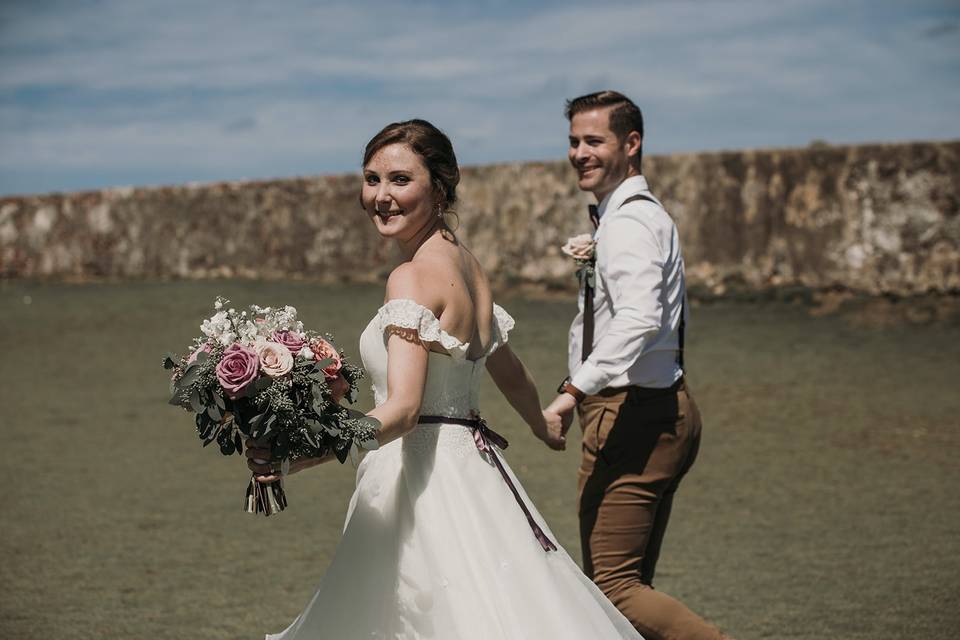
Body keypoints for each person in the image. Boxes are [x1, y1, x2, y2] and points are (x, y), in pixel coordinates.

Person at [246, 119, 643, 639]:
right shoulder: (469, 266)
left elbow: (404, 410)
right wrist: (541, 423)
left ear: (440, 185)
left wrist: (296, 456)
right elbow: (506, 366)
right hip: (476, 472)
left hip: (418, 483)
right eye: (371, 179)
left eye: (399, 180)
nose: (381, 197)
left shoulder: (409, 277)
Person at [543, 91, 730, 640]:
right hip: (657, 407)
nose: (579, 153)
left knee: (615, 590)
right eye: (574, 141)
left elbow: (639, 319)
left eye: (593, 141)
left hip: (631, 415)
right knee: (630, 585)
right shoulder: (633, 218)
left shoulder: (627, 224)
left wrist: (572, 391)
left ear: (632, 143)